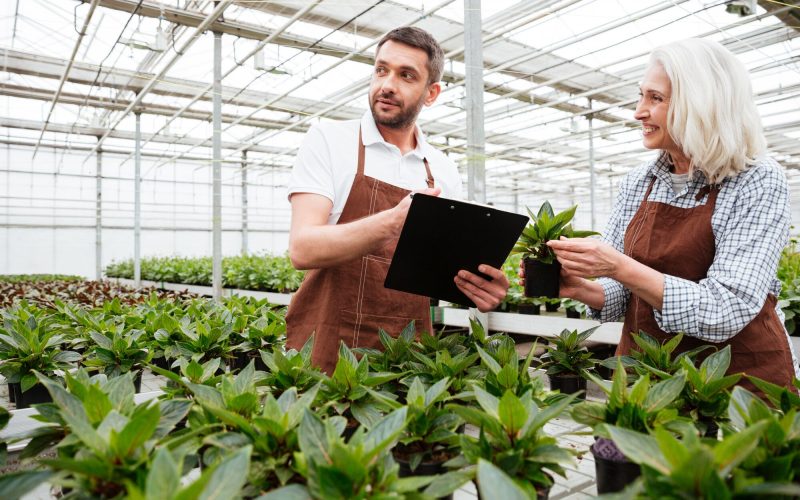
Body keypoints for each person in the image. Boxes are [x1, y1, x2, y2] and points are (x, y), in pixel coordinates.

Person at [544, 38, 798, 391]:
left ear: (701, 104)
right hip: (649, 373)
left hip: (735, 380)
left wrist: (618, 265)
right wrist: (582, 288)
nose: (638, 111)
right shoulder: (639, 181)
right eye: (641, 95)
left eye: (656, 98)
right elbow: (622, 292)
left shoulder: (755, 179)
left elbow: (726, 308)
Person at [285, 26, 509, 373]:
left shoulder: (441, 169)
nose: (387, 84)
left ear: (431, 93)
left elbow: (443, 272)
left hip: (407, 356)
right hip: (328, 348)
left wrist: (480, 287)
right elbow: (303, 248)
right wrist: (392, 221)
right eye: (381, 69)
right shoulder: (329, 139)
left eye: (406, 75)